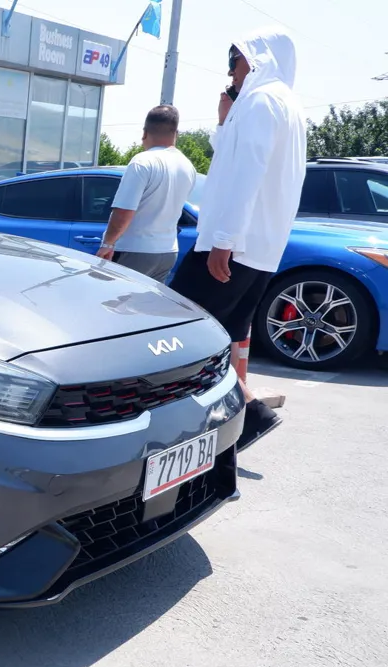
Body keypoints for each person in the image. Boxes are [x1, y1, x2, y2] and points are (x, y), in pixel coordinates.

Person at [168, 28, 306, 452]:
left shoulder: (262, 101)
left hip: (233, 245)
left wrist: (224, 240)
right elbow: (233, 159)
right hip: (259, 250)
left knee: (176, 334)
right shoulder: (287, 104)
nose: (231, 71)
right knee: (219, 340)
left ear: (258, 59)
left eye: (236, 59)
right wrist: (225, 119)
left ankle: (188, 433)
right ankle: (246, 418)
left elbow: (247, 173)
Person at [96, 105, 196, 283]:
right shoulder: (187, 166)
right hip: (168, 251)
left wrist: (108, 243)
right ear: (176, 133)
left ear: (144, 133)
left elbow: (124, 210)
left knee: (118, 299)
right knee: (148, 300)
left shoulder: (142, 162)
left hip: (135, 249)